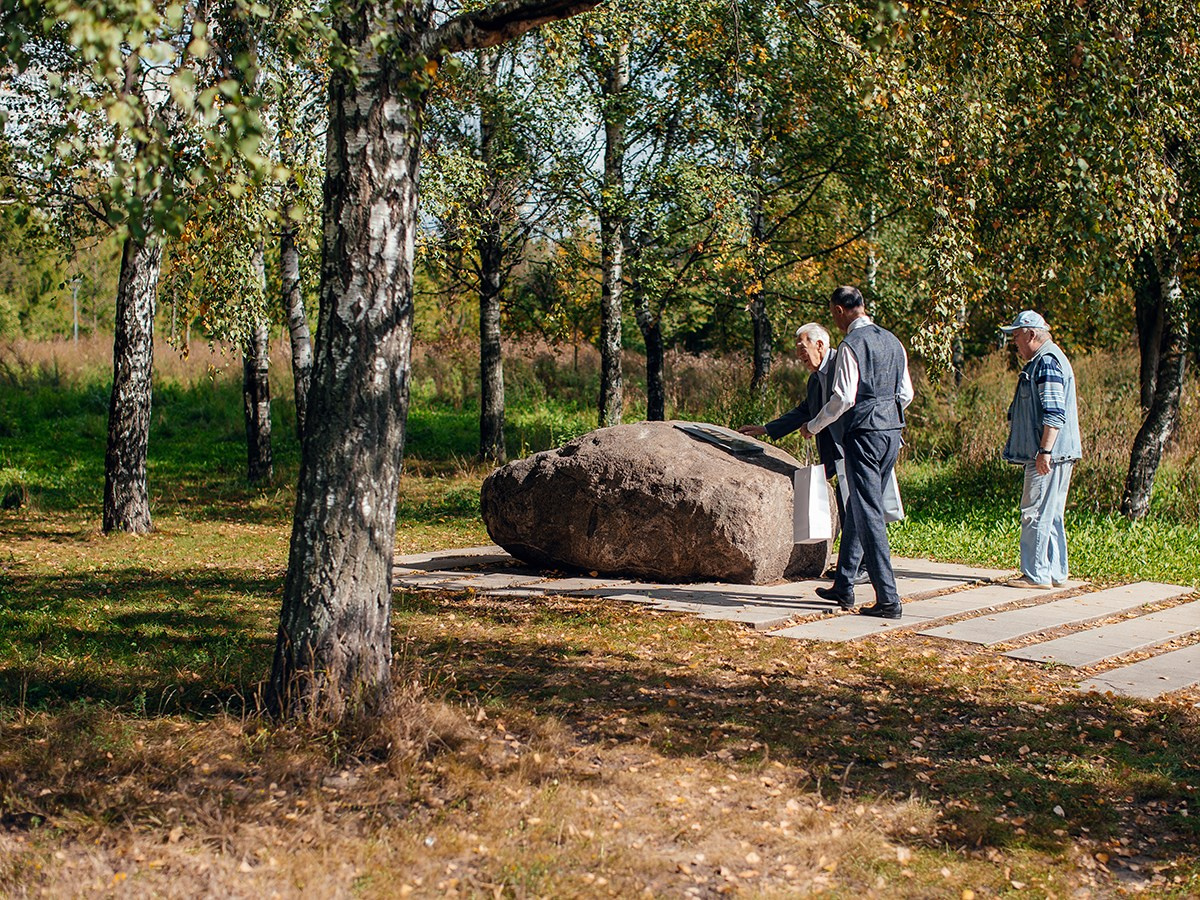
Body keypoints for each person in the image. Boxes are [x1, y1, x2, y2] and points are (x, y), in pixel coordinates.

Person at [805, 286, 913, 618]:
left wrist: (815, 425)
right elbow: (906, 394)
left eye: (833, 314)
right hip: (892, 431)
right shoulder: (893, 341)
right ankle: (844, 584)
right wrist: (887, 416)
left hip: (863, 433)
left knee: (868, 513)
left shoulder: (851, 345)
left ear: (839, 311)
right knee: (859, 505)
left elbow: (843, 397)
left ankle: (888, 599)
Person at [737, 323, 867, 584]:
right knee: (847, 507)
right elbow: (805, 410)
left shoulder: (843, 365)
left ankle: (862, 568)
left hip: (854, 447)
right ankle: (854, 566)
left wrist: (814, 426)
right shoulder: (815, 378)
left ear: (819, 344)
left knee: (856, 508)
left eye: (801, 347)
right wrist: (767, 429)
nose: (799, 355)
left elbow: (846, 402)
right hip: (835, 452)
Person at [999, 310, 1081, 588]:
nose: (1014, 343)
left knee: (1034, 511)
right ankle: (1055, 572)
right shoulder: (1048, 359)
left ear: (1031, 334)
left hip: (1047, 454)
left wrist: (1044, 451)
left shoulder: (1045, 362)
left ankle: (1035, 574)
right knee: (1052, 513)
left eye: (1016, 336)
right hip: (1057, 452)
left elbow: (1054, 412)